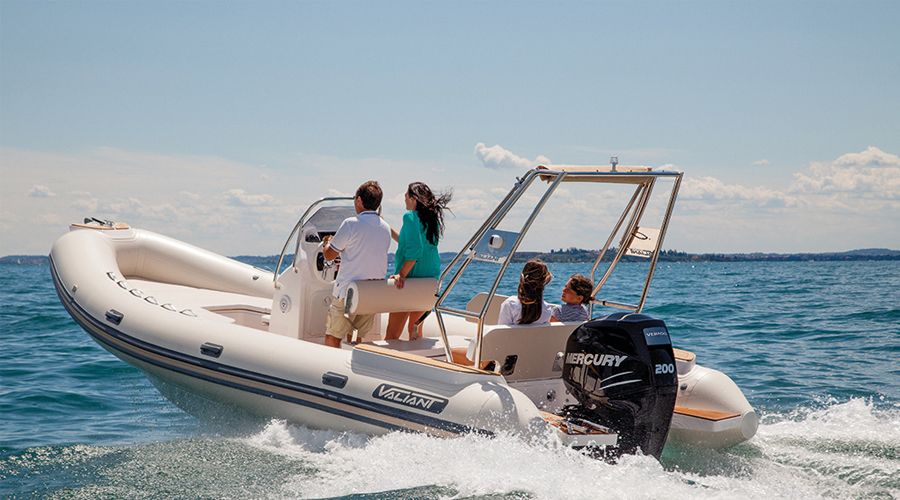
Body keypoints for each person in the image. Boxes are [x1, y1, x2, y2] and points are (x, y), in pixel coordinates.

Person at [321, 181, 391, 348]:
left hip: (348, 292)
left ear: (359, 200)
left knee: (333, 336)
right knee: (358, 338)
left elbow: (330, 255)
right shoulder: (386, 227)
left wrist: (326, 243)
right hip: (370, 293)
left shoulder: (350, 223)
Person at [385, 182, 452, 340]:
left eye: (406, 195)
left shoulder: (409, 217)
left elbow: (415, 250)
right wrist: (387, 227)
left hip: (410, 281)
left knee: (392, 334)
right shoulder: (431, 220)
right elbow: (408, 243)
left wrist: (401, 274)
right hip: (429, 281)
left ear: (414, 199)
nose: (404, 198)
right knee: (414, 330)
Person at [497, 258, 554, 325]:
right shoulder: (547, 309)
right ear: (544, 282)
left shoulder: (510, 304)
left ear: (522, 278)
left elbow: (501, 329)